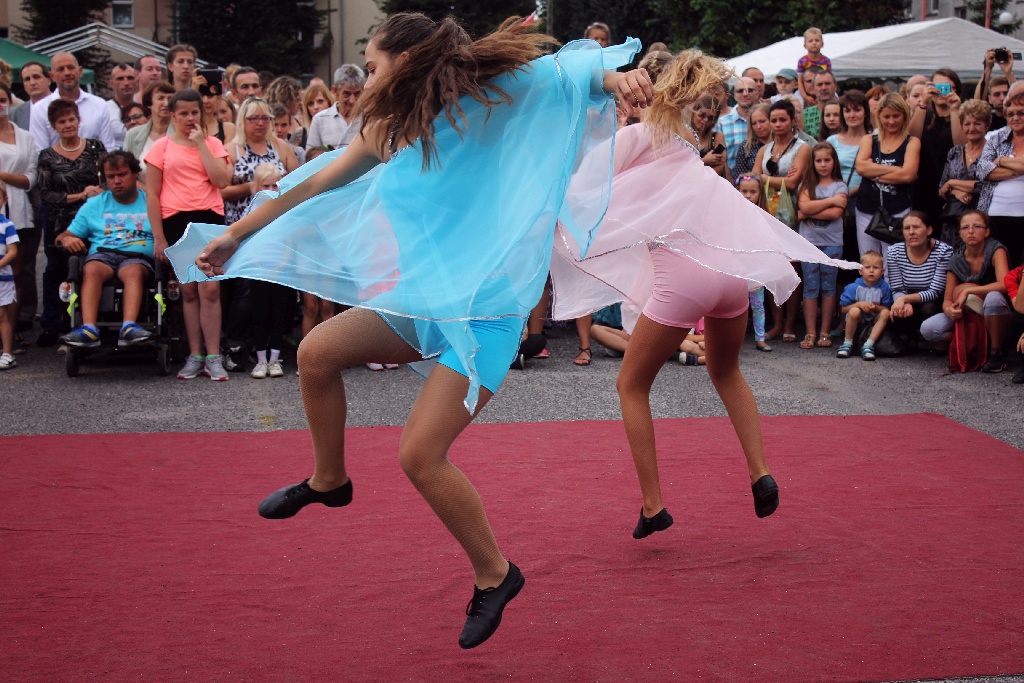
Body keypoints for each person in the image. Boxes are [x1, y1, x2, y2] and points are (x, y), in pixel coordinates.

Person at [170, 13, 654, 649]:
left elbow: (561, 72)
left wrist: (617, 80)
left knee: (419, 456)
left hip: (485, 316)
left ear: (410, 58)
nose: (366, 78)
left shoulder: (487, 97)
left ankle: (496, 575)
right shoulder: (387, 129)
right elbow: (314, 183)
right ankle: (329, 481)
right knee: (315, 353)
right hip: (421, 300)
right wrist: (236, 234)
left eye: (372, 64)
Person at [546, 50, 858, 541]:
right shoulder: (689, 143)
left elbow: (584, 186)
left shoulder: (638, 136)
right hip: (728, 273)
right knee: (727, 370)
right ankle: (760, 471)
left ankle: (653, 506)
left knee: (631, 386)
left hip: (683, 281)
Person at [145, 89, 232, 380]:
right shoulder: (161, 147)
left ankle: (214, 356)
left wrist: (201, 146)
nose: (189, 118)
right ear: (172, 115)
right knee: (188, 290)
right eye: (183, 113)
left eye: (194, 112)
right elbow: (153, 195)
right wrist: (159, 237)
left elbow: (221, 180)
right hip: (175, 221)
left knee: (210, 288)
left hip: (208, 219)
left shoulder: (213, 143)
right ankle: (195, 355)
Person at [56, 151, 154, 348]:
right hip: (104, 254)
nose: (117, 181)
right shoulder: (95, 204)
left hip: (138, 255)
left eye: (122, 174)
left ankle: (128, 327)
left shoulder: (150, 201)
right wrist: (66, 240)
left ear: (135, 174)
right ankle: (89, 329)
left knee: (132, 271)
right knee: (90, 269)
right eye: (111, 176)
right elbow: (64, 236)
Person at [36, 100, 106, 348]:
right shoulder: (47, 156)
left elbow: (109, 181)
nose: (68, 125)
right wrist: (80, 195)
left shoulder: (96, 148)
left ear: (78, 120)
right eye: (62, 121)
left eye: (71, 120)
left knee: (91, 268)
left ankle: (89, 323)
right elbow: (46, 193)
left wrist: (97, 192)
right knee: (57, 270)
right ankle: (52, 325)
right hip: (62, 222)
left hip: (95, 220)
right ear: (54, 126)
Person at [920, 210, 1010, 372]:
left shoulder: (996, 249)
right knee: (929, 329)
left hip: (995, 310)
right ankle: (970, 342)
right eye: (965, 227)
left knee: (993, 298)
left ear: (986, 231)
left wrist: (969, 291)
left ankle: (996, 352)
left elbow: (1004, 284)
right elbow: (947, 299)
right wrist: (950, 310)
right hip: (968, 313)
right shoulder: (956, 258)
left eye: (977, 226)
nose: (970, 231)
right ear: (960, 233)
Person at [755, 99, 810, 342]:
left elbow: (792, 184)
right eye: (773, 120)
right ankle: (776, 323)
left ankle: (789, 323)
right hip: (767, 212)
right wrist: (776, 179)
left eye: (782, 120)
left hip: (792, 214)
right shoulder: (763, 149)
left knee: (792, 267)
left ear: (792, 121)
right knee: (771, 267)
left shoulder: (803, 148)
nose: (777, 125)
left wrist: (765, 177)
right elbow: (752, 180)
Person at [854, 93, 920, 258]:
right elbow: (861, 167)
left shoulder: (912, 142)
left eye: (896, 116)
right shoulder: (869, 139)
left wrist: (874, 173)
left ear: (904, 115)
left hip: (897, 211)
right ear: (879, 117)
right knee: (868, 260)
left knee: (893, 261)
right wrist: (896, 170)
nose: (891, 121)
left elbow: (908, 175)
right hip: (866, 209)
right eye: (887, 116)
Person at [797, 142, 848, 349]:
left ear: (834, 161)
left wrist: (809, 210)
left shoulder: (840, 186)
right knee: (810, 287)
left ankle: (825, 331)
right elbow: (802, 207)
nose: (823, 164)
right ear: (813, 162)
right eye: (819, 160)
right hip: (809, 243)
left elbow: (836, 213)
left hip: (832, 243)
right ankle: (810, 332)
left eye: (827, 160)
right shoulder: (807, 185)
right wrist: (831, 201)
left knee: (828, 287)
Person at [0, 83, 38, 347]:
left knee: (16, 273)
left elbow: (31, 178)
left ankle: (9, 335)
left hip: (19, 210)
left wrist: (2, 175)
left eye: (1, 99)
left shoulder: (25, 136)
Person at [885, 210, 953, 349]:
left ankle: (937, 338)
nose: (911, 232)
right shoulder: (894, 251)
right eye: (907, 228)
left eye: (916, 227)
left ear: (929, 230)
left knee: (927, 308)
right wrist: (902, 300)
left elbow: (936, 291)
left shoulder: (944, 251)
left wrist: (905, 299)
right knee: (893, 309)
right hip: (908, 295)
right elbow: (897, 288)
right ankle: (912, 335)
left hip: (934, 300)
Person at [909, 69, 964, 228]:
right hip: (923, 188)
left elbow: (961, 147)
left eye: (948, 87)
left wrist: (954, 110)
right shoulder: (923, 113)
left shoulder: (962, 115)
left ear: (956, 90)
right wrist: (923, 102)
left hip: (952, 190)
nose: (942, 91)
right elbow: (912, 138)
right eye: (938, 86)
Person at [976, 85, 1024, 267]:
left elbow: (992, 167)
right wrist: (1018, 168)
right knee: (1003, 265)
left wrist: (1002, 160)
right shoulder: (995, 137)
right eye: (1011, 114)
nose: (1016, 118)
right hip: (996, 213)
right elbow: (982, 170)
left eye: (1021, 113)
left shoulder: (1000, 151)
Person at [30, 52, 115, 153]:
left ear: (80, 71)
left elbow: (108, 147)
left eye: (70, 67)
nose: (67, 73)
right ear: (52, 76)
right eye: (60, 69)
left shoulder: (100, 105)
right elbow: (40, 152)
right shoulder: (40, 109)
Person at [938, 98, 991, 248]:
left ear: (987, 125)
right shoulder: (954, 152)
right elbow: (942, 189)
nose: (972, 128)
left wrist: (953, 183)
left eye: (977, 123)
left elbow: (986, 185)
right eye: (967, 124)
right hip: (953, 223)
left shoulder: (992, 152)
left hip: (981, 223)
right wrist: (955, 191)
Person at [736, 174, 771, 351]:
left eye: (752, 192)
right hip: (738, 265)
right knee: (737, 304)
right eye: (744, 191)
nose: (748, 195)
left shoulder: (763, 215)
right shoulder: (732, 214)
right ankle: (735, 339)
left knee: (758, 304)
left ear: (760, 194)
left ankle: (760, 337)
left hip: (757, 265)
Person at [836, 251, 893, 360]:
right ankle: (847, 343)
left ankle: (868, 345)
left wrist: (876, 308)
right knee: (854, 311)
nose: (871, 271)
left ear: (882, 272)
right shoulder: (853, 287)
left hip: (874, 320)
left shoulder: (884, 287)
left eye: (876, 268)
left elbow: (886, 308)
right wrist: (858, 305)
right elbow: (843, 309)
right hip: (858, 320)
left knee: (886, 313)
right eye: (867, 267)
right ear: (860, 271)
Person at [123, 82, 176, 184]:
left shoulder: (180, 133)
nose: (166, 103)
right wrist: (148, 193)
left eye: (170, 99)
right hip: (142, 195)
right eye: (160, 98)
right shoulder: (133, 135)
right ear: (149, 103)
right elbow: (126, 172)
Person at [307, 64, 364, 150]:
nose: (352, 100)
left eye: (357, 94)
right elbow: (311, 155)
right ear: (335, 91)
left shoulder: (371, 118)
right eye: (347, 94)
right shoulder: (319, 119)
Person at [715, 77, 758, 174]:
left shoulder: (767, 120)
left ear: (757, 93)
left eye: (750, 90)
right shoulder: (721, 123)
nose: (745, 94)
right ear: (734, 95)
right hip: (731, 183)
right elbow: (717, 157)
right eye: (740, 91)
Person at [0, 180, 18, 370]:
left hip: (2, 278)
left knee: (1, 316)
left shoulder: (6, 225)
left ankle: (8, 353)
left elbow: (13, 251)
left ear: (4, 200)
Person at [688, 93, 728, 179]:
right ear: (694, 112)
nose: (705, 120)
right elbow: (681, 168)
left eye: (711, 118)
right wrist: (705, 161)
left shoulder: (717, 137)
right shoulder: (683, 135)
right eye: (702, 115)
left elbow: (719, 168)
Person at [11, 62, 51, 131]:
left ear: (48, 80)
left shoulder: (65, 105)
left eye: (36, 77)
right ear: (23, 85)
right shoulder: (15, 114)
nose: (32, 82)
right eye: (27, 79)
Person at [732, 103, 769, 177]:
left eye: (762, 121)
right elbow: (739, 177)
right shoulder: (746, 147)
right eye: (754, 123)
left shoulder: (780, 144)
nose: (758, 127)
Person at [106, 62, 138, 148]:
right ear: (111, 83)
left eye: (130, 78)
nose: (126, 83)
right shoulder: (104, 110)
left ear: (136, 81)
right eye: (120, 79)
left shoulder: (144, 107)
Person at [797, 28, 831, 101]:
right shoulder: (802, 61)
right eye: (810, 41)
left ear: (822, 44)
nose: (814, 43)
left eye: (817, 40)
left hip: (822, 87)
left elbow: (830, 79)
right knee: (797, 99)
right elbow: (799, 81)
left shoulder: (826, 61)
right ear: (805, 45)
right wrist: (805, 97)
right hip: (805, 91)